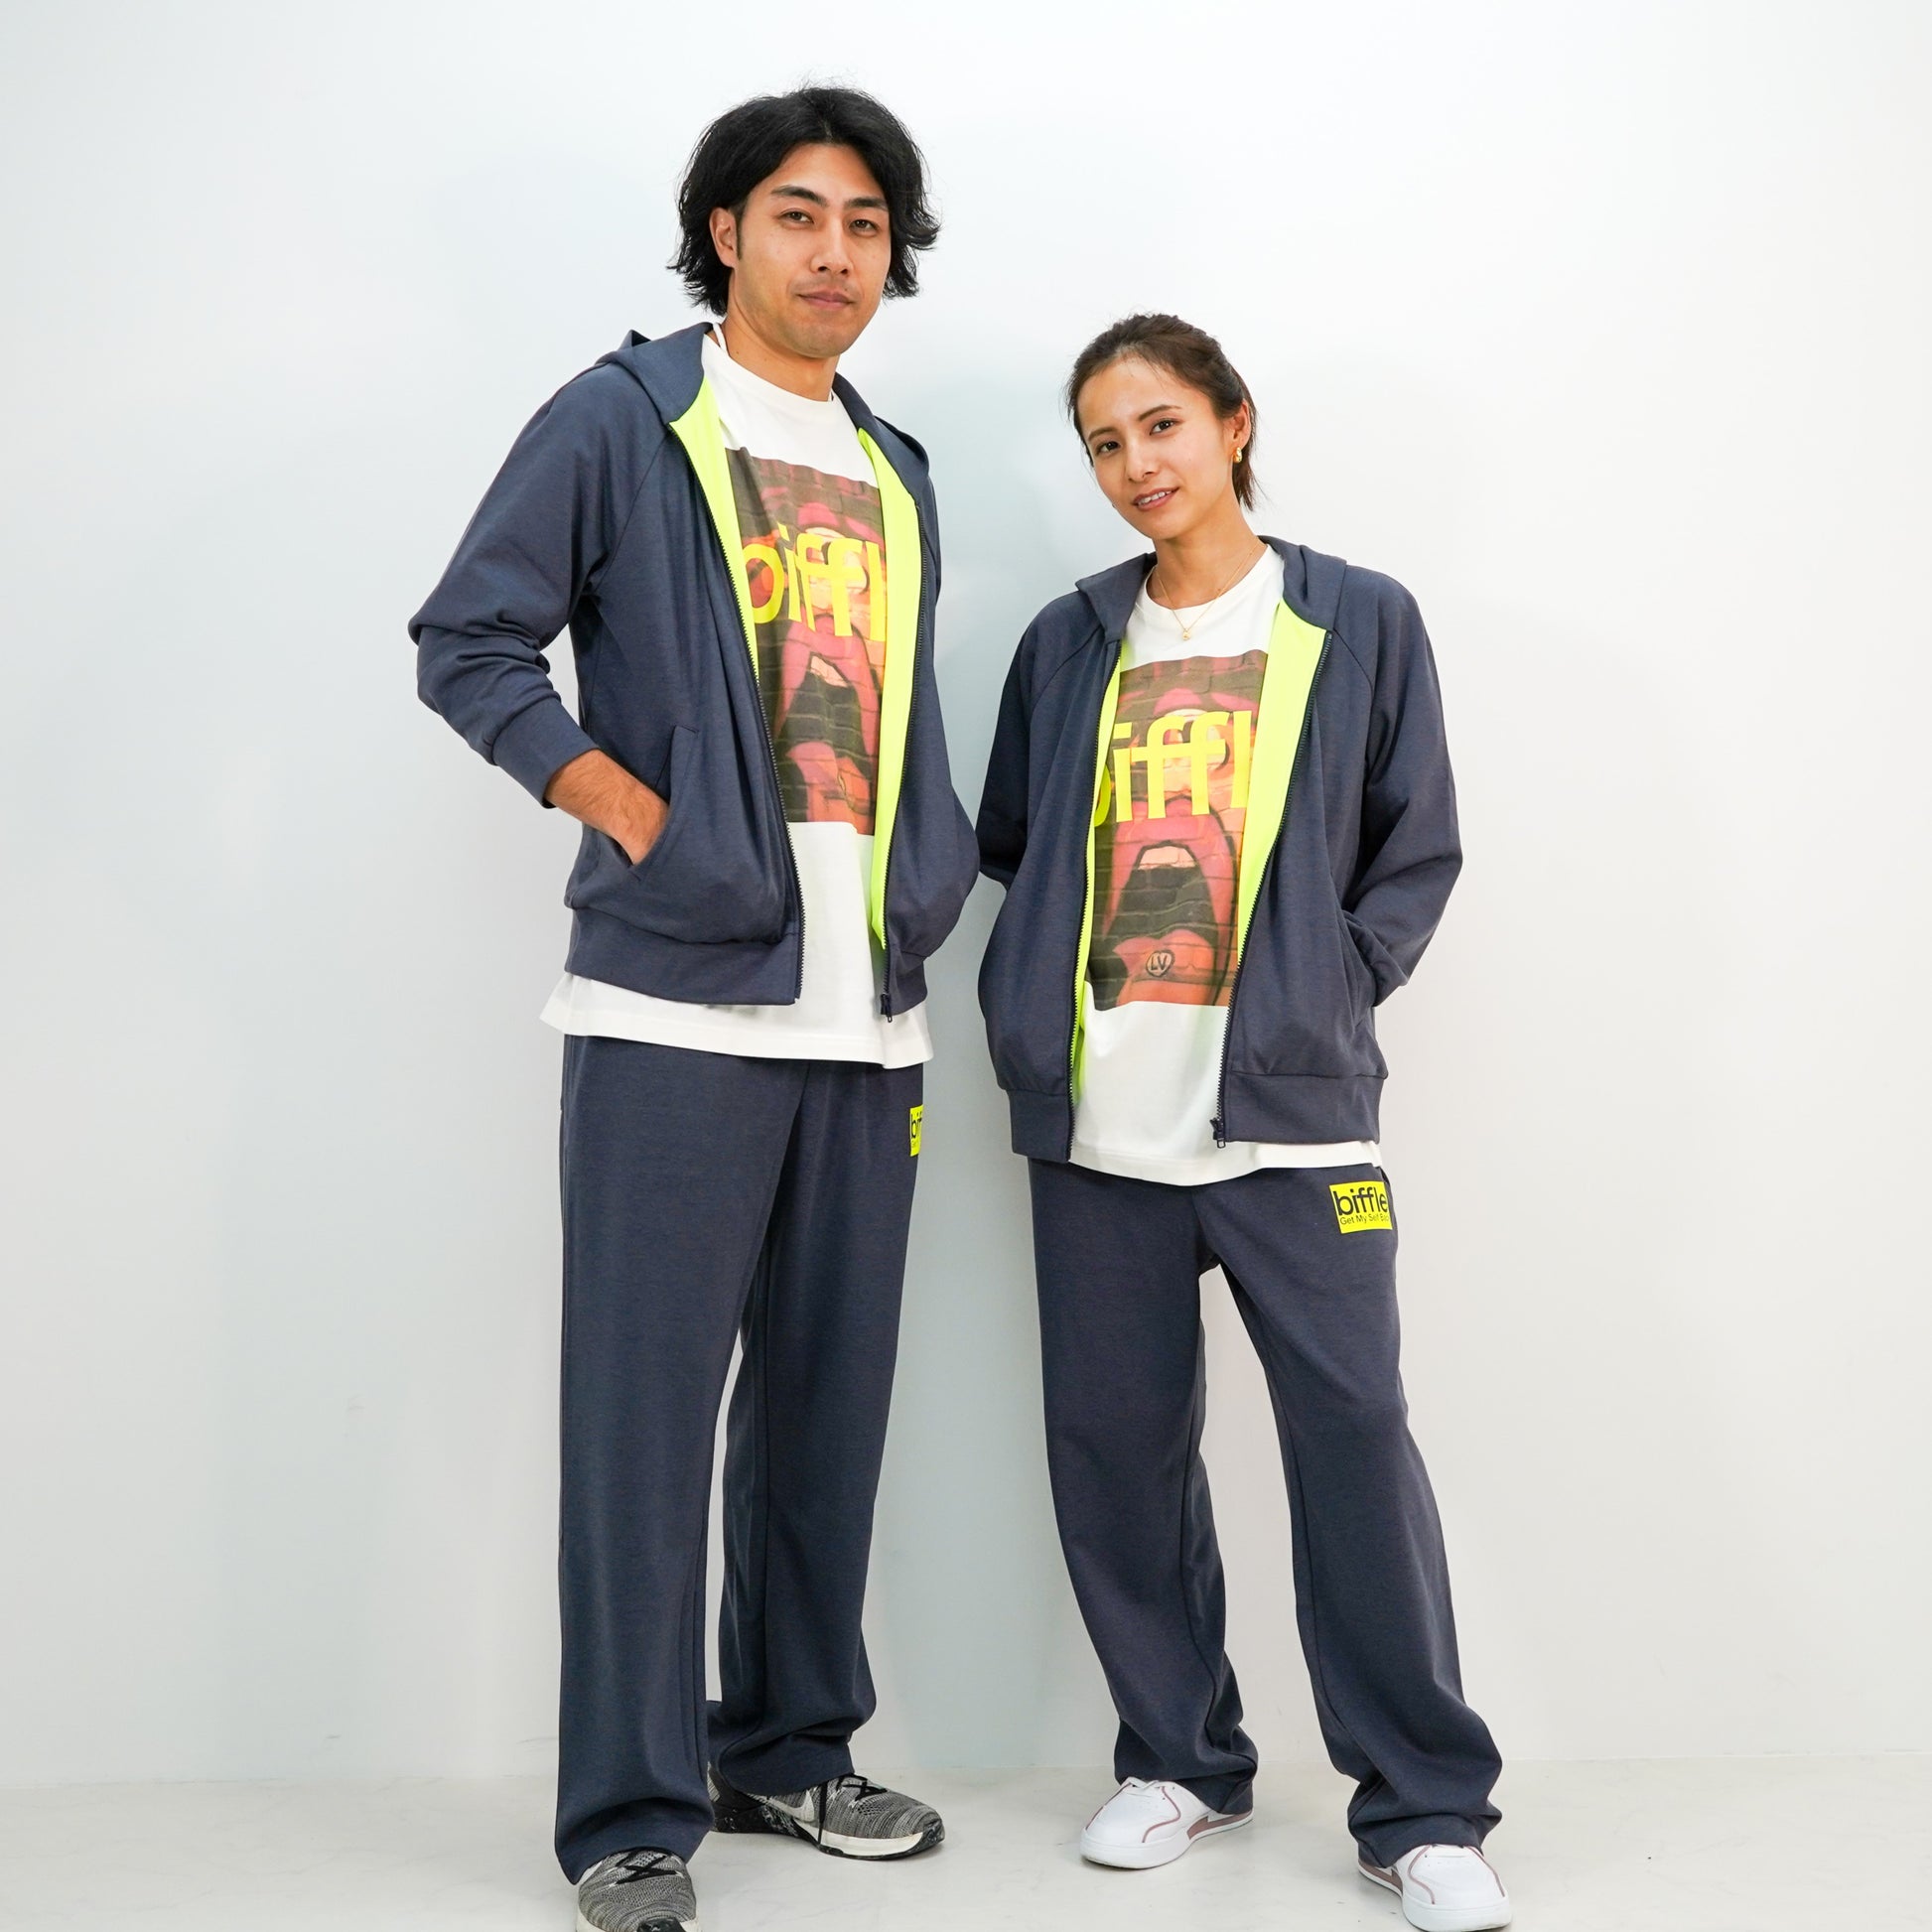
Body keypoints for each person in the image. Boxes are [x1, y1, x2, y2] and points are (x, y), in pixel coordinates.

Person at [410, 86, 978, 1932]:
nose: (835, 252)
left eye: (866, 224)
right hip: (673, 1005)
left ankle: (787, 1746)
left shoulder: (895, 464)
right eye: (797, 214)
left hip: (867, 1017)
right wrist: (630, 811)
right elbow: (469, 639)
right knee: (644, 1425)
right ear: (723, 231)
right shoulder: (622, 418)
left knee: (826, 1414)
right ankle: (627, 1810)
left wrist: (922, 885)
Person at [974, 314, 1510, 1932]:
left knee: (1352, 1439)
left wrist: (1323, 990)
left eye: (1160, 425)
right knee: (1115, 1455)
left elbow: (1413, 847)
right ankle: (1179, 1758)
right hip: (1101, 1124)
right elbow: (1016, 839)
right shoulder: (1070, 639)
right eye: (1103, 441)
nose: (1135, 463)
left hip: (1291, 1119)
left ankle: (1420, 1804)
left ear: (1231, 423)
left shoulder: (1353, 617)